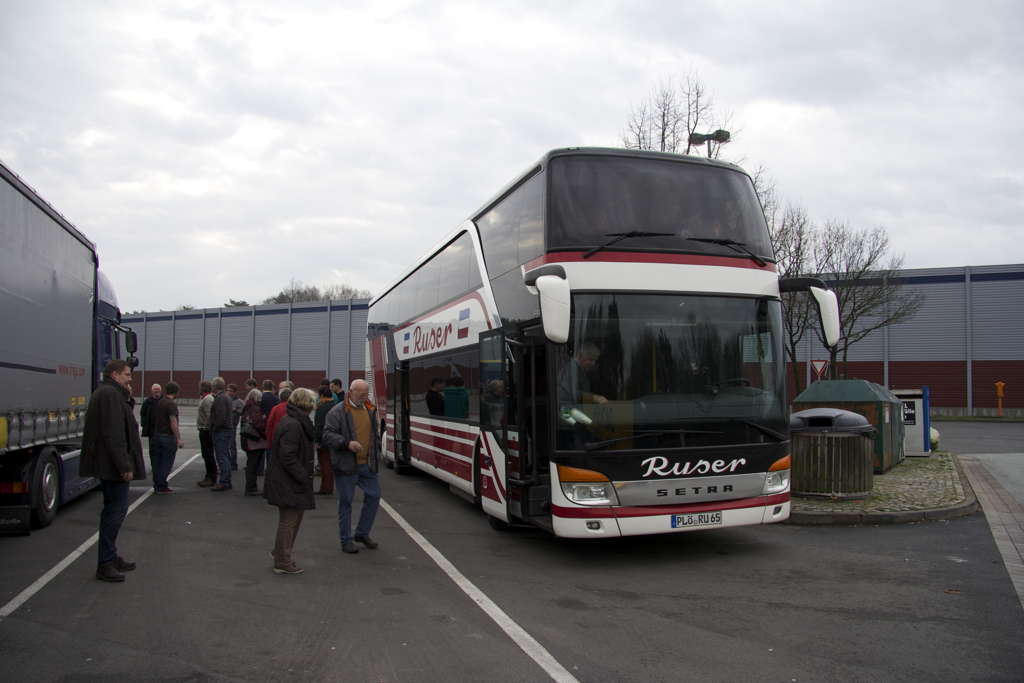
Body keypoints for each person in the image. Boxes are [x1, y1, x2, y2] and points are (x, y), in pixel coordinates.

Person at [80, 360, 146, 583]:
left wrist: (128, 397)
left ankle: (110, 556)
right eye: (127, 374)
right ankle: (105, 563)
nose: (130, 378)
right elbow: (114, 433)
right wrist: (124, 466)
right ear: (115, 374)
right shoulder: (109, 394)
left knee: (113, 511)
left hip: (109, 465)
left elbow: (121, 422)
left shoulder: (111, 394)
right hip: (112, 467)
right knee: (114, 513)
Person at [323, 379, 382, 554]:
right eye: (361, 394)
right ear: (351, 392)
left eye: (366, 394)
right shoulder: (337, 411)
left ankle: (362, 533)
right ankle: (346, 540)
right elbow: (327, 435)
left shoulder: (370, 409)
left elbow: (374, 434)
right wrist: (347, 443)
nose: (364, 397)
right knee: (346, 502)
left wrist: (377, 451)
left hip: (367, 464)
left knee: (374, 496)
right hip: (346, 465)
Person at [265, 388, 317, 575]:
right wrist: (303, 476)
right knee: (289, 521)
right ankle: (282, 560)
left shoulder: (292, 421)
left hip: (288, 480)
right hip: (289, 481)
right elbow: (288, 456)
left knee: (291, 519)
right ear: (307, 404)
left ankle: (280, 553)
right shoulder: (294, 424)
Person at [149, 381, 183, 494]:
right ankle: (162, 485)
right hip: (167, 437)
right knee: (166, 463)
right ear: (176, 392)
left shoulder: (160, 402)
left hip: (156, 435)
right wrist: (178, 438)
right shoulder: (171, 404)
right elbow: (173, 422)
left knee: (156, 463)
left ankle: (157, 485)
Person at [240, 388, 268, 496]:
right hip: (255, 441)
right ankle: (251, 488)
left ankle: (251, 487)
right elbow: (258, 424)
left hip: (249, 439)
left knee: (251, 464)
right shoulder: (255, 408)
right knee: (252, 465)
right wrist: (265, 430)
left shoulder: (247, 407)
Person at [209, 377, 234, 491]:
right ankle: (226, 480)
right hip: (226, 430)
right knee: (225, 455)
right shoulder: (226, 397)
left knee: (222, 456)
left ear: (214, 386)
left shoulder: (220, 398)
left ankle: (224, 481)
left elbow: (221, 416)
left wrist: (214, 428)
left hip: (221, 431)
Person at [313, 386, 335, 495]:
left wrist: (317, 440)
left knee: (324, 464)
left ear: (321, 395)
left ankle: (326, 488)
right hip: (335, 439)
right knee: (330, 464)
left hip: (324, 439)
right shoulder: (336, 405)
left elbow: (319, 425)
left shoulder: (321, 407)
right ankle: (329, 486)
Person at [196, 380, 216, 487]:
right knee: (206, 454)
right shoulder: (206, 398)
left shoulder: (208, 399)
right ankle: (209, 475)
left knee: (208, 454)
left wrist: (208, 429)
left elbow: (209, 416)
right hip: (204, 430)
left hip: (206, 431)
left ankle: (211, 477)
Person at [139, 383, 162, 452]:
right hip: (151, 430)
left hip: (162, 429)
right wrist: (144, 425)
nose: (156, 391)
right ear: (152, 391)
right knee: (152, 448)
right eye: (155, 390)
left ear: (160, 391)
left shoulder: (164, 401)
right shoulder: (147, 402)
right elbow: (142, 414)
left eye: (158, 390)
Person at [228, 383, 245, 470]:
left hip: (232, 426)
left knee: (232, 445)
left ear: (235, 392)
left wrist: (236, 410)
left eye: (231, 391)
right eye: (228, 390)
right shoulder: (226, 399)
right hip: (225, 426)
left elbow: (243, 412)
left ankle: (233, 464)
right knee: (225, 446)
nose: (229, 392)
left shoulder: (239, 402)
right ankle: (227, 463)